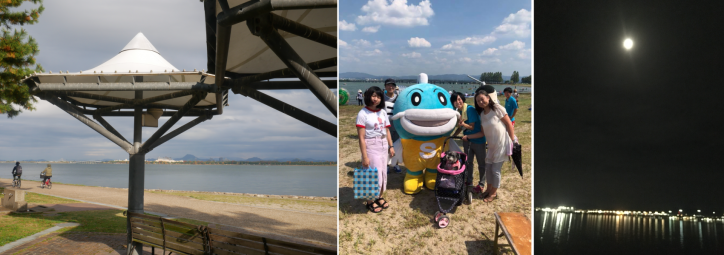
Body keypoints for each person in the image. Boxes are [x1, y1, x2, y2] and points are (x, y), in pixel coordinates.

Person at [463, 88, 517, 202]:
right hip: (491, 146)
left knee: (495, 170)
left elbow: (508, 124)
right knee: (488, 169)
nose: (480, 102)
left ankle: (493, 193)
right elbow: (482, 133)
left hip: (501, 144)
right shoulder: (482, 114)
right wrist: (468, 137)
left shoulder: (497, 108)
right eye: (478, 101)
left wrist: (512, 141)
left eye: (482, 99)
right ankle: (488, 189)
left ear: (488, 97)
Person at [356, 86, 395, 213]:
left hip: (383, 143)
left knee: (383, 172)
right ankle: (369, 201)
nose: (376, 99)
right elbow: (361, 138)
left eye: (378, 97)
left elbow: (387, 130)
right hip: (371, 144)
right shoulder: (362, 113)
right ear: (368, 96)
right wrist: (365, 156)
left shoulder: (382, 112)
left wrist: (391, 146)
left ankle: (379, 196)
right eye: (373, 96)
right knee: (371, 173)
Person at [450, 92, 487, 195]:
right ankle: (469, 181)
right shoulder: (459, 112)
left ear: (463, 99)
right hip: (467, 141)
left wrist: (463, 124)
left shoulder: (469, 109)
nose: (458, 102)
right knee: (468, 162)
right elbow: (460, 127)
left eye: (459, 99)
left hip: (478, 141)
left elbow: (472, 127)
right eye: (455, 101)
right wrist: (453, 136)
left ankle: (481, 184)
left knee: (481, 164)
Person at [383, 78, 401, 174]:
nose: (391, 87)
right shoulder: (381, 98)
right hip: (385, 127)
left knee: (397, 145)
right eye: (389, 85)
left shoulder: (399, 98)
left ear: (395, 87)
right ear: (385, 86)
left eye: (392, 85)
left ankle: (396, 164)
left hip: (397, 127)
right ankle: (386, 165)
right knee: (386, 146)